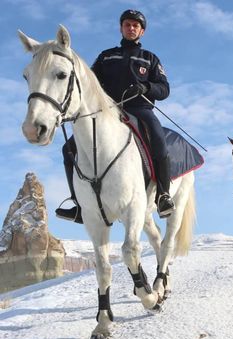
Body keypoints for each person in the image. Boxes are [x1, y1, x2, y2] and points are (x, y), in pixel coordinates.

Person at [56, 9, 175, 223]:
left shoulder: (150, 58)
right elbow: (89, 82)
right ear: (121, 28)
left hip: (140, 109)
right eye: (127, 25)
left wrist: (146, 87)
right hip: (109, 111)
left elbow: (164, 89)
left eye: (135, 26)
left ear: (142, 31)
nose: (131, 28)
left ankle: (163, 195)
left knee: (158, 140)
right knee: (68, 149)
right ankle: (78, 205)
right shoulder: (106, 56)